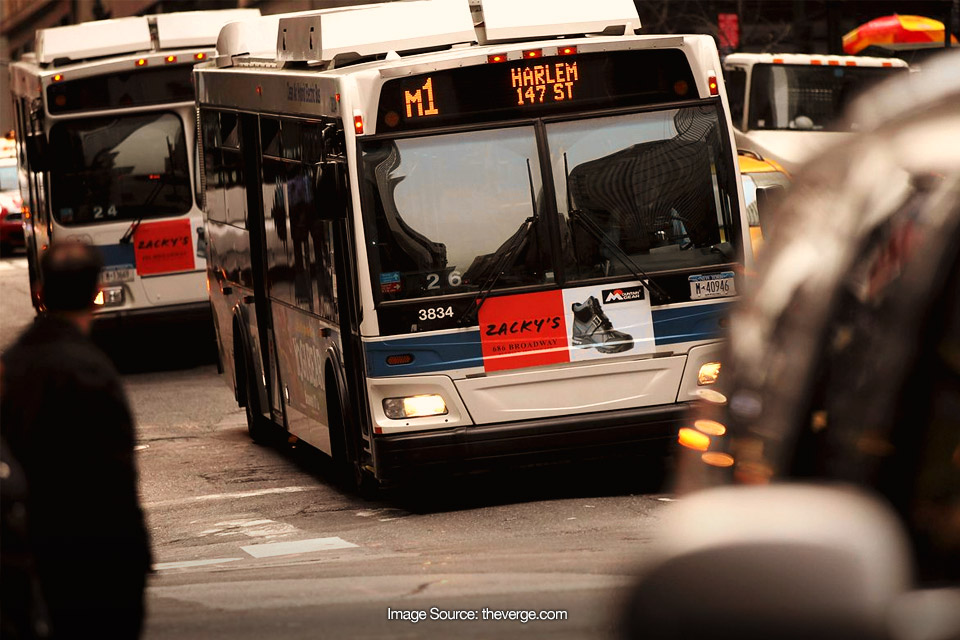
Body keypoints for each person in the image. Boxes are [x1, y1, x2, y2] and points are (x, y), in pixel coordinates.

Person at [0, 241, 152, 639]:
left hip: (30, 549)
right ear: (96, 296)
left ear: (40, 293)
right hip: (94, 557)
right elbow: (116, 479)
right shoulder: (92, 370)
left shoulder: (12, 367)